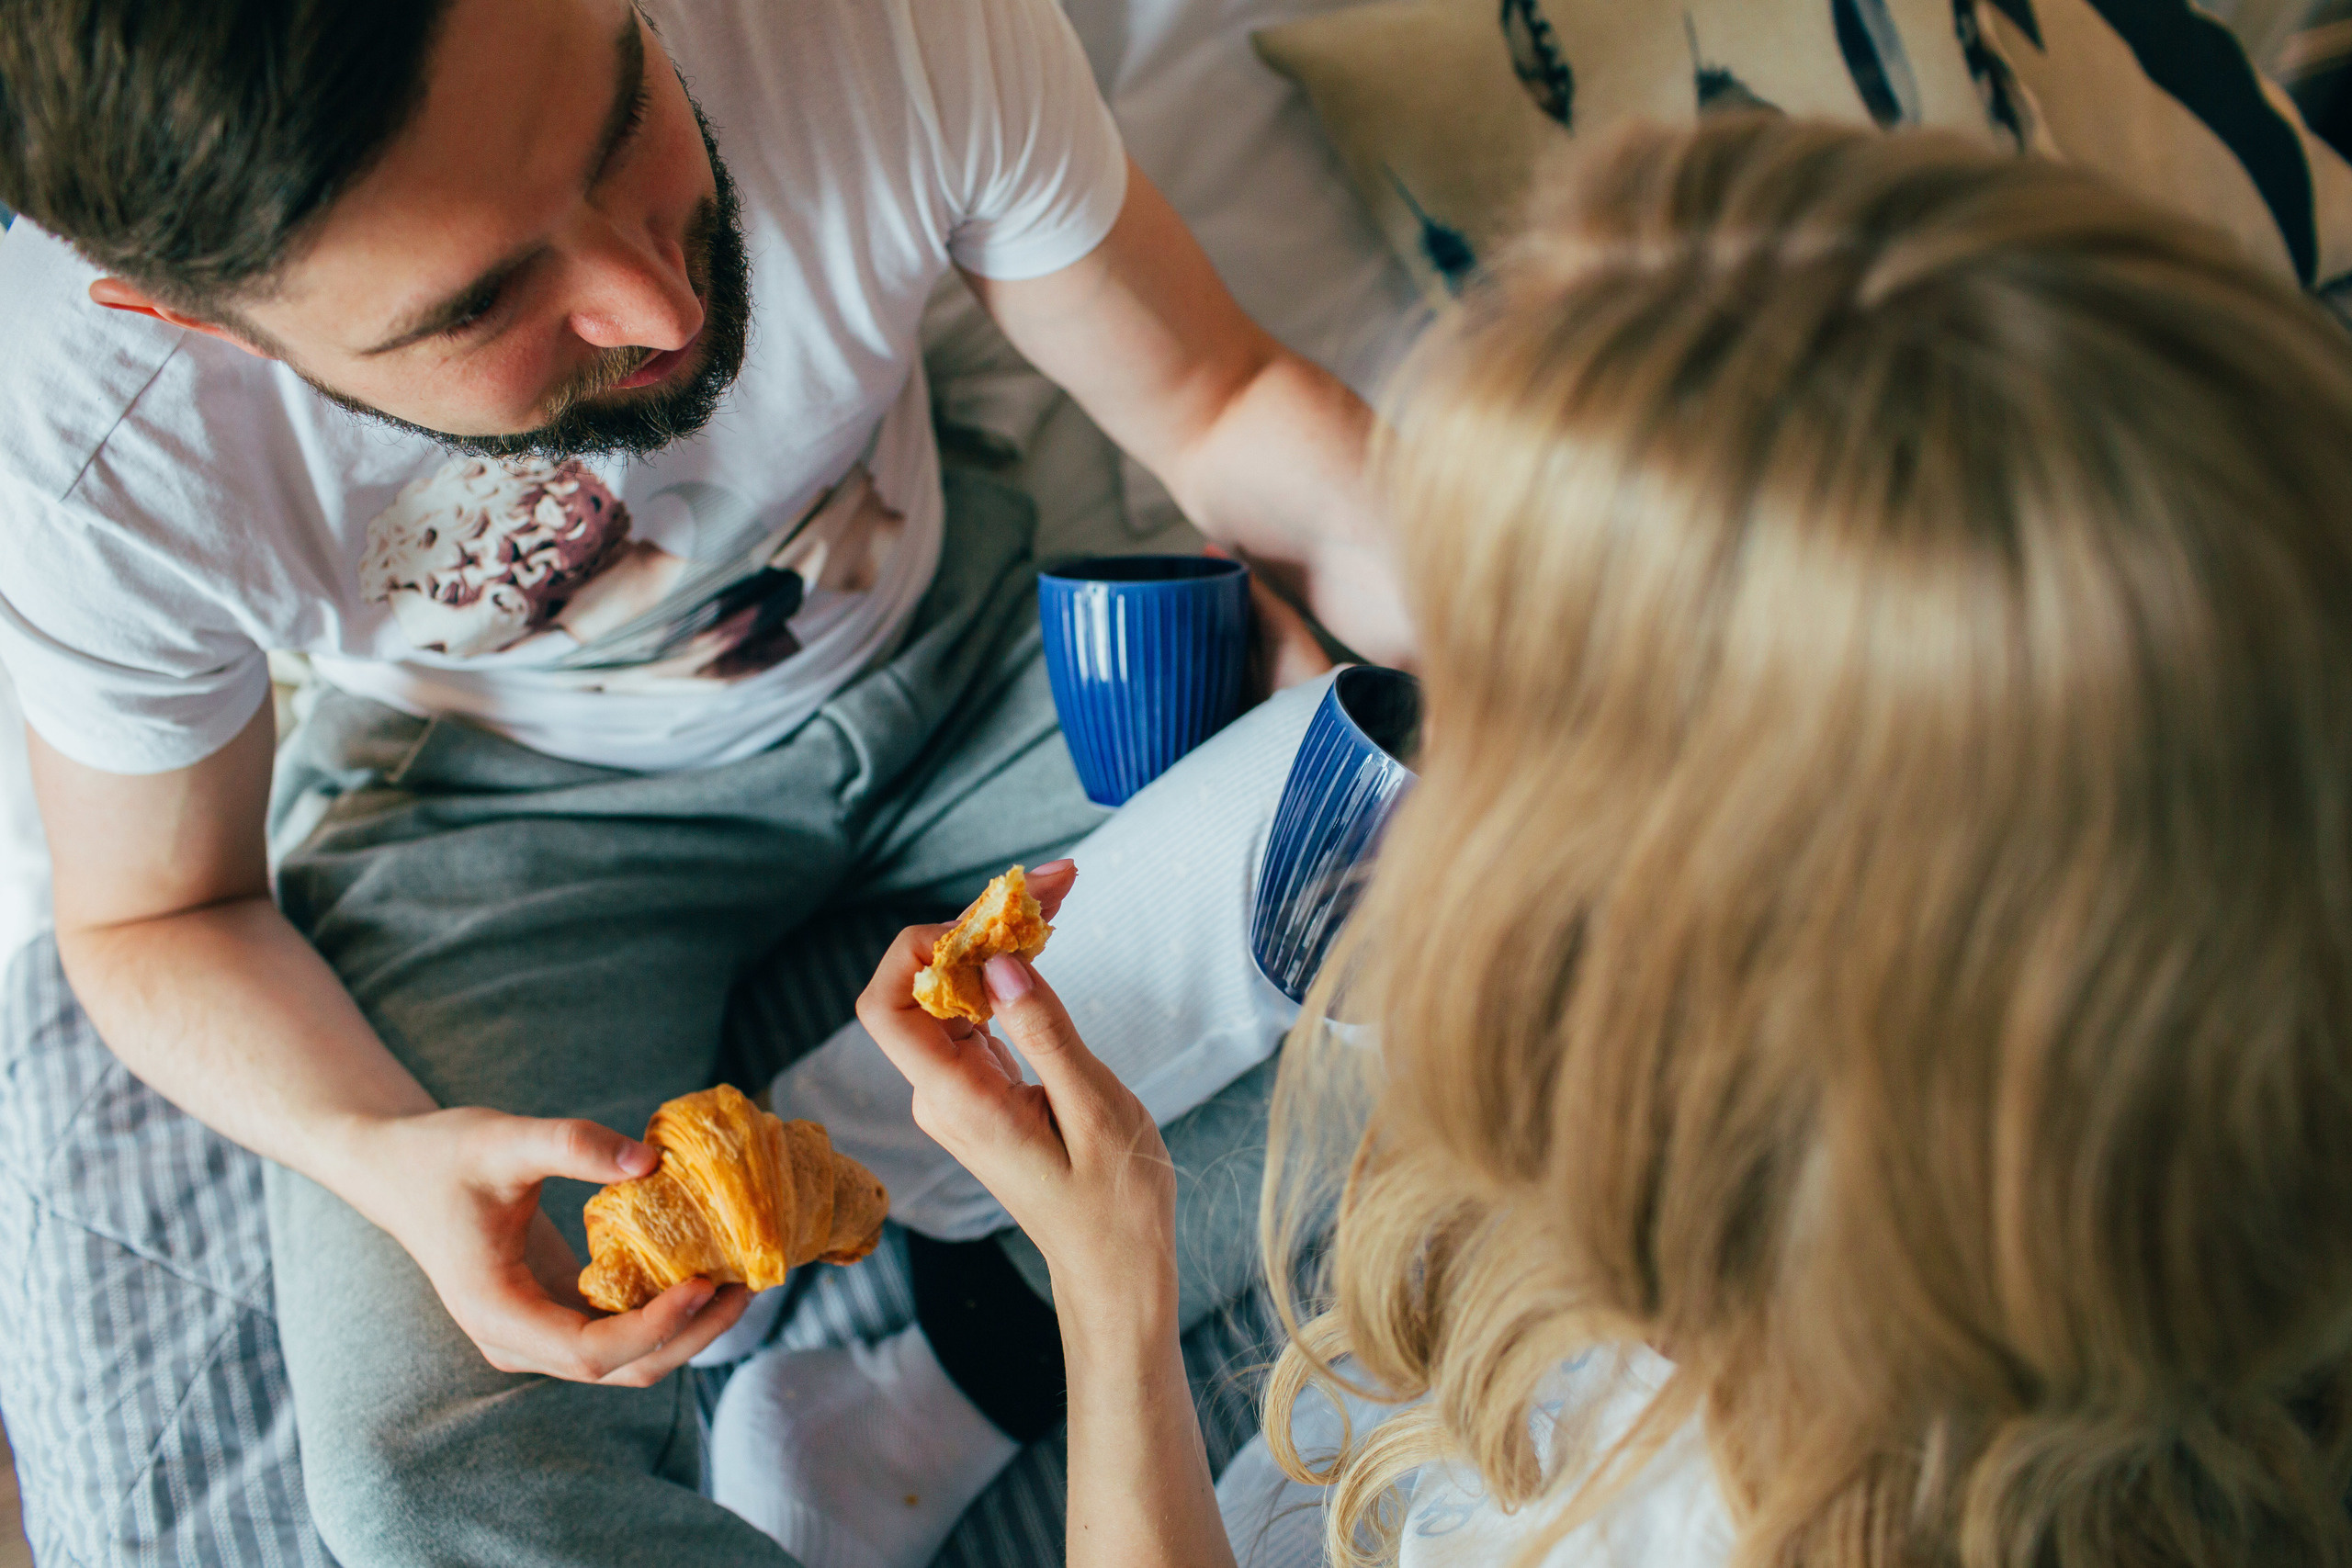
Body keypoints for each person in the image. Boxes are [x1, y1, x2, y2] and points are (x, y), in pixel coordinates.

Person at [0, 0, 1408, 1563]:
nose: (655, 298)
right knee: (436, 1487)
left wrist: (1528, 689)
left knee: (1526, 942)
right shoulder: (83, 444)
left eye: (624, 120)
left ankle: (957, 1362)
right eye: (483, 303)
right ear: (202, 326)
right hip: (512, 816)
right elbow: (157, 911)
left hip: (971, 641)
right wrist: (371, 1150)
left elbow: (1214, 401)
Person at [850, 114, 2352, 1568]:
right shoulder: (2002, 1078)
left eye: (1534, 710)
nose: (1460, 762)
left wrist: (1110, 1311)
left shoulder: (1723, 1511)